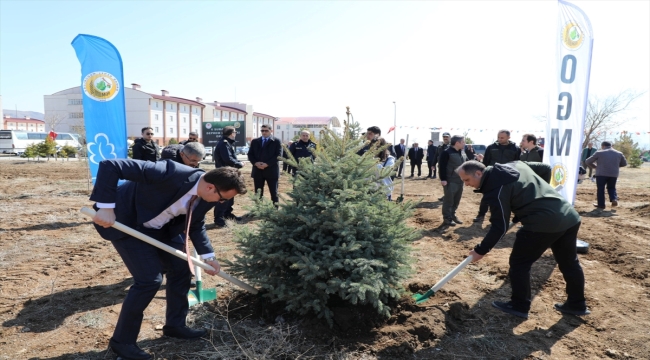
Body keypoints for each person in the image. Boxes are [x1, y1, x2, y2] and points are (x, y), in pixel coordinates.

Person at [90, 159, 247, 360]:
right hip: (126, 223)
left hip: (161, 229)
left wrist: (209, 257)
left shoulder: (206, 196)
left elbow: (196, 224)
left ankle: (175, 325)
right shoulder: (169, 172)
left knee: (181, 269)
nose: (221, 203)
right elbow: (111, 166)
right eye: (223, 199)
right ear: (210, 187)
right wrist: (106, 207)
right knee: (149, 280)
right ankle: (122, 342)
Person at [458, 160, 589, 319]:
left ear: (478, 173)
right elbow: (545, 168)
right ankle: (577, 304)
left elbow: (500, 226)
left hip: (541, 223)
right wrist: (536, 195)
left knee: (519, 263)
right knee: (569, 262)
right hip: (568, 216)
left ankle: (519, 305)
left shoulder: (495, 189)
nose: (466, 185)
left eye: (467, 180)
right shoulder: (515, 164)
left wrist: (481, 250)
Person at [473, 130, 520, 222]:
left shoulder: (515, 148)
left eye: (502, 138)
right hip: (492, 174)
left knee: (505, 198)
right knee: (487, 196)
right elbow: (486, 161)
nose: (499, 139)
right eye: (498, 137)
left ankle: (500, 218)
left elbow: (517, 163)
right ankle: (481, 215)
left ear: (508, 137)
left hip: (507, 176)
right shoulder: (491, 147)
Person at [214, 126, 244, 226]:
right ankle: (219, 218)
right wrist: (239, 164)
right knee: (223, 196)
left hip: (229, 173)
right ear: (231, 134)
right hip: (224, 174)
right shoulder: (224, 143)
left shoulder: (226, 143)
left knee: (230, 195)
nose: (235, 134)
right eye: (235, 132)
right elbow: (228, 159)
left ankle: (227, 214)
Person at [585, 141, 628, 209]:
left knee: (601, 188)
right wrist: (615, 166)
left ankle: (601, 205)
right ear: (611, 146)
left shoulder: (599, 152)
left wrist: (595, 167)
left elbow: (587, 161)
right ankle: (614, 199)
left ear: (603, 146)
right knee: (612, 187)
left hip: (601, 173)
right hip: (613, 174)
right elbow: (624, 163)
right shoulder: (619, 153)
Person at [248, 124, 282, 204]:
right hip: (258, 170)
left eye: (266, 130)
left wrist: (267, 164)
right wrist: (256, 163)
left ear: (271, 131)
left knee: (274, 192)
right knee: (258, 192)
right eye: (262, 131)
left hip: (271, 170)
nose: (264, 132)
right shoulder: (255, 141)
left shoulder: (276, 141)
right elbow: (250, 154)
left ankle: (275, 209)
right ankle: (258, 209)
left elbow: (278, 155)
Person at [438, 135, 468, 226]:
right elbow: (441, 166)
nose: (464, 143)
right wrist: (443, 179)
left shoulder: (462, 152)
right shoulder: (447, 152)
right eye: (463, 142)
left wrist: (476, 159)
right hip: (450, 181)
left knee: (456, 200)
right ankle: (447, 218)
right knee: (449, 200)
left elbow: (466, 163)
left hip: (460, 180)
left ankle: (452, 215)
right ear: (457, 143)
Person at [436, 132, 451, 201]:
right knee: (443, 181)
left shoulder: (452, 147)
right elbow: (436, 156)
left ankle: (448, 196)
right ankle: (446, 195)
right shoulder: (440, 147)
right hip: (441, 167)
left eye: (447, 137)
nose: (445, 138)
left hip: (450, 167)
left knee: (450, 182)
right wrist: (433, 164)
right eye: (444, 137)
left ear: (449, 138)